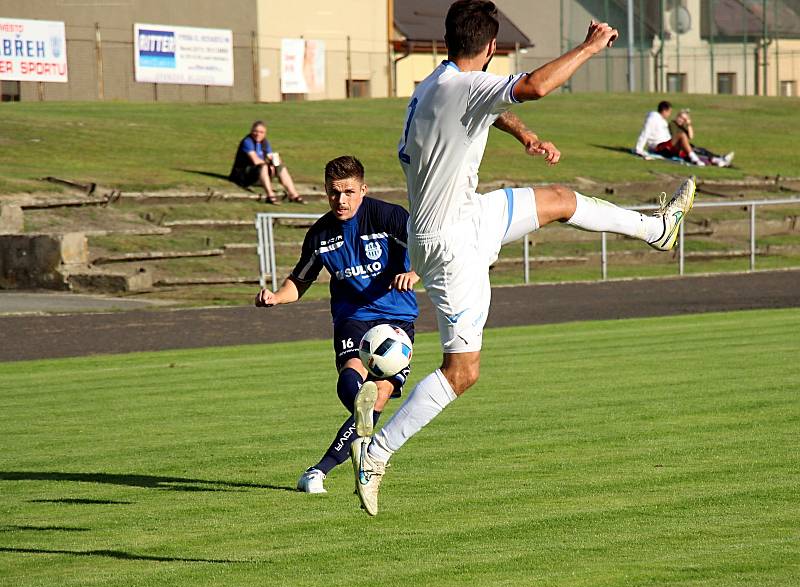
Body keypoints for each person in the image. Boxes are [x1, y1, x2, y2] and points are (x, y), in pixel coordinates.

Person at [350, 0, 697, 516]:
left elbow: (492, 105)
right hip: (452, 245)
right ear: (491, 48)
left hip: (465, 217)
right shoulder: (462, 88)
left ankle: (656, 228)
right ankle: (376, 454)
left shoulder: (434, 84)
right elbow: (532, 86)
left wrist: (525, 134)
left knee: (558, 199)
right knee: (463, 371)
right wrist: (590, 46)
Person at [254, 155, 419, 493]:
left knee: (379, 397)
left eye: (347, 192)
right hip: (353, 316)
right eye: (333, 193)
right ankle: (358, 430)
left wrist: (414, 272)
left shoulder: (389, 216)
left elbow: (426, 247)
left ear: (363, 189)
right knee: (353, 375)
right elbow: (299, 281)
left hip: (397, 321)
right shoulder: (320, 234)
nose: (340, 200)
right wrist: (275, 297)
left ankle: (318, 471)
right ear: (326, 192)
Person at [229, 120, 306, 204]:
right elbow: (256, 161)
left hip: (259, 173)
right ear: (251, 131)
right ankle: (270, 194)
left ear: (265, 133)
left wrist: (276, 161)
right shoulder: (247, 142)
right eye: (256, 131)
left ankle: (293, 194)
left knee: (280, 167)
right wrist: (269, 165)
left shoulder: (265, 142)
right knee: (263, 166)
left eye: (261, 132)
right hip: (243, 175)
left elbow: (269, 156)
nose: (258, 134)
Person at [635, 103, 733, 167]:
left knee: (685, 151)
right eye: (669, 112)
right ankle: (696, 159)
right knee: (681, 135)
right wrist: (639, 149)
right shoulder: (653, 119)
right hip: (659, 146)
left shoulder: (662, 121)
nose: (669, 114)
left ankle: (716, 161)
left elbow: (690, 136)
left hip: (667, 145)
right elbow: (645, 133)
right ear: (664, 111)